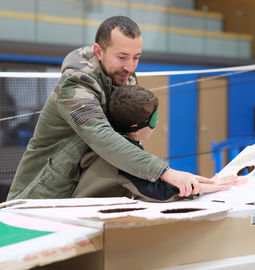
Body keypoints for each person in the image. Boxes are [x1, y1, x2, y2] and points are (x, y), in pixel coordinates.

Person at [7, 16, 233, 201]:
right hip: (39, 196)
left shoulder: (124, 78)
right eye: (122, 57)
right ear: (98, 51)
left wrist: (192, 183)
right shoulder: (75, 85)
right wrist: (166, 172)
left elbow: (126, 144)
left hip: (83, 190)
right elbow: (102, 137)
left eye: (136, 57)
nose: (130, 67)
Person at [72, 85, 235, 201]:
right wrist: (206, 188)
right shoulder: (123, 158)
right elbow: (157, 192)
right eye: (153, 119)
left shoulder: (113, 141)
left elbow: (156, 176)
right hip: (84, 217)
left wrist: (194, 180)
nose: (156, 124)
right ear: (136, 128)